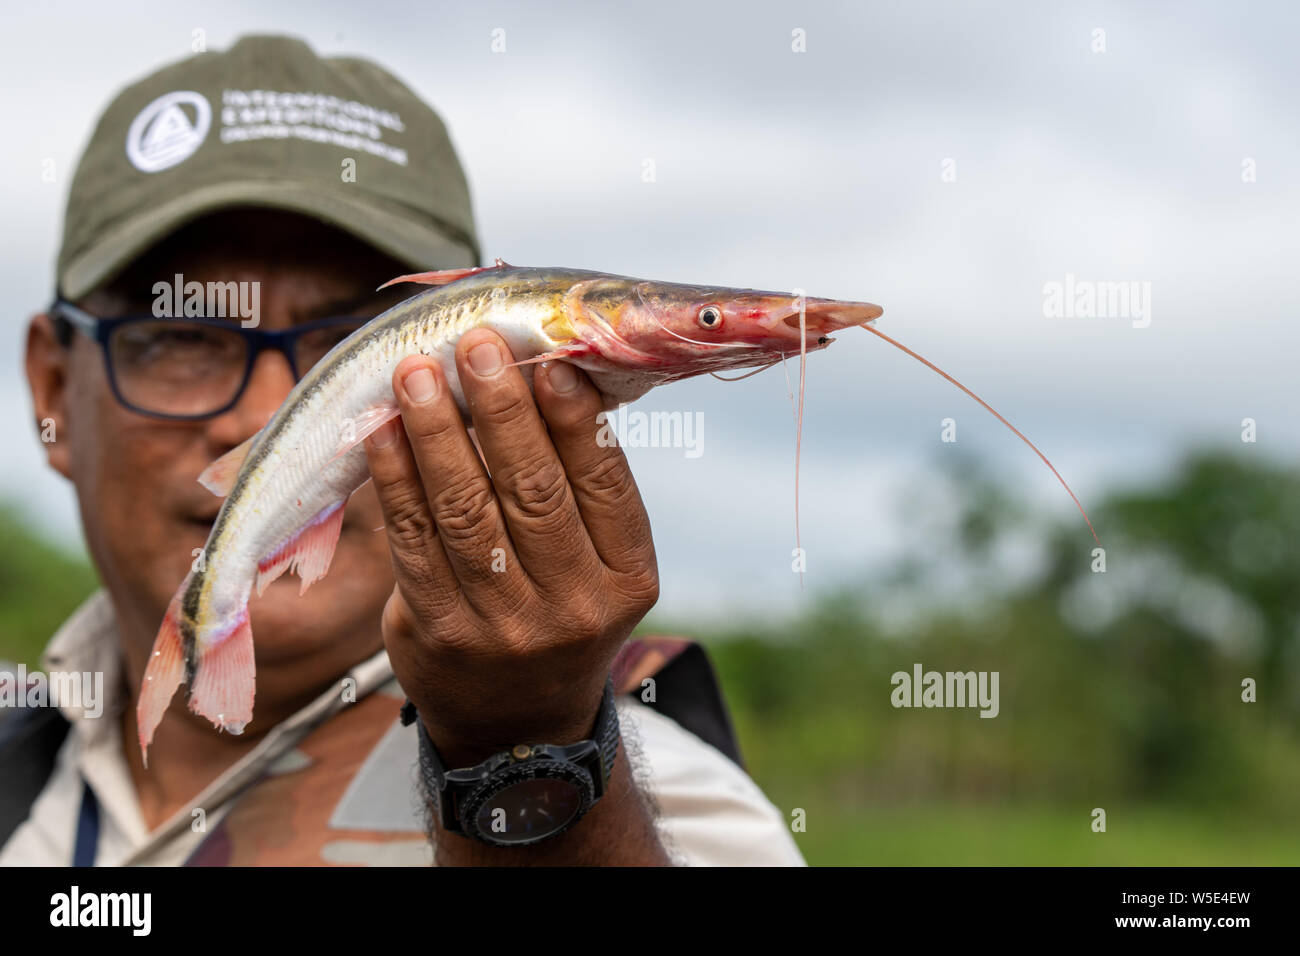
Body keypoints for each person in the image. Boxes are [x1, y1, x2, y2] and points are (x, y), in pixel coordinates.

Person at [1, 34, 804, 866]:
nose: (269, 416)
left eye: (355, 339)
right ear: (53, 390)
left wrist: (528, 754)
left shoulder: (680, 812)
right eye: (182, 335)